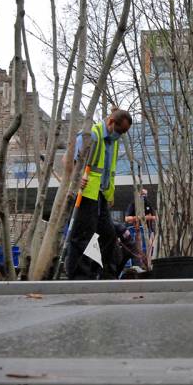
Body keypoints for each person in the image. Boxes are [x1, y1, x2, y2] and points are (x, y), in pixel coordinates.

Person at [65, 109, 133, 279]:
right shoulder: (91, 135)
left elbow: (108, 171)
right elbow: (67, 160)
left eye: (123, 133)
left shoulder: (113, 142)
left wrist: (109, 196)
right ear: (110, 122)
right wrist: (76, 178)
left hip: (101, 194)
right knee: (83, 235)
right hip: (87, 193)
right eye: (120, 131)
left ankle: (107, 274)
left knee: (109, 234)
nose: (120, 135)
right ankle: (79, 275)